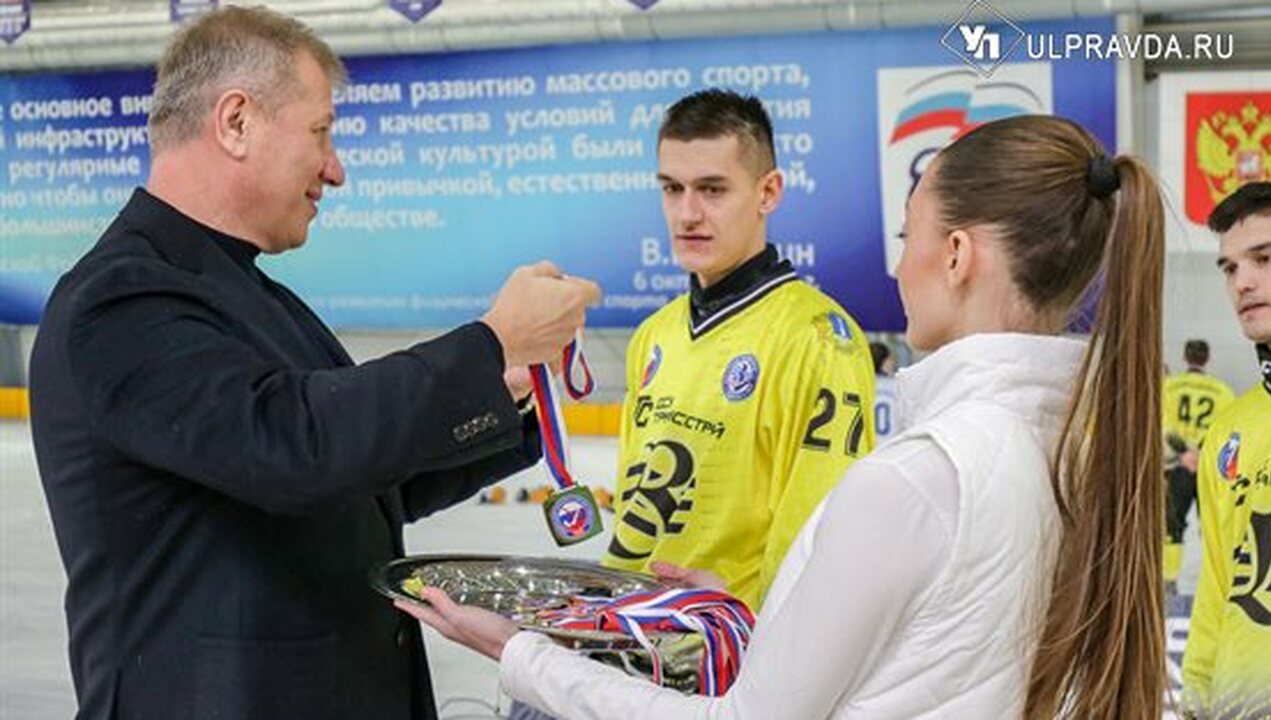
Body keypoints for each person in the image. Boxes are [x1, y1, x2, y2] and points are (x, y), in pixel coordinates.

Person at [400, 115, 1168, 719]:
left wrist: (523, 656)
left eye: (908, 236)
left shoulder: (916, 467)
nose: (900, 263)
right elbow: (928, 652)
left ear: (958, 255)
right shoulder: (1076, 452)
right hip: (668, 635)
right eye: (671, 188)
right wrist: (749, 618)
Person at [29, 7, 599, 720]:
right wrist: (491, 342)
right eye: (321, 133)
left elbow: (363, 481)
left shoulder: (255, 297)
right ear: (235, 122)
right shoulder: (120, 301)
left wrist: (512, 399)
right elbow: (295, 448)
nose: (336, 168)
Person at [601, 89, 876, 610]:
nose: (687, 213)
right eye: (672, 188)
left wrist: (752, 623)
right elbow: (635, 521)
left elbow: (820, 536)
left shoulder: (817, 338)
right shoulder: (652, 337)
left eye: (712, 189)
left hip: (736, 659)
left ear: (768, 192)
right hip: (635, 643)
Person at [1182, 179, 1271, 719]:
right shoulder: (1230, 427)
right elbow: (1215, 593)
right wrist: (1195, 708)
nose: (1243, 281)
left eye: (1264, 258)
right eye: (1229, 268)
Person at [1161, 339, 1235, 594]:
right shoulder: (1222, 390)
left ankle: (1169, 583)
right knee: (1213, 526)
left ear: (1185, 357)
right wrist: (1202, 452)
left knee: (1174, 525)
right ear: (1207, 358)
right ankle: (1218, 583)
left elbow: (1164, 426)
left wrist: (1184, 453)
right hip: (1208, 468)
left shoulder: (1170, 387)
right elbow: (1226, 429)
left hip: (1181, 466)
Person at [869, 340, 903, 441]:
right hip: (891, 445)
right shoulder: (897, 386)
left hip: (866, 448)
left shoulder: (862, 385)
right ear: (885, 361)